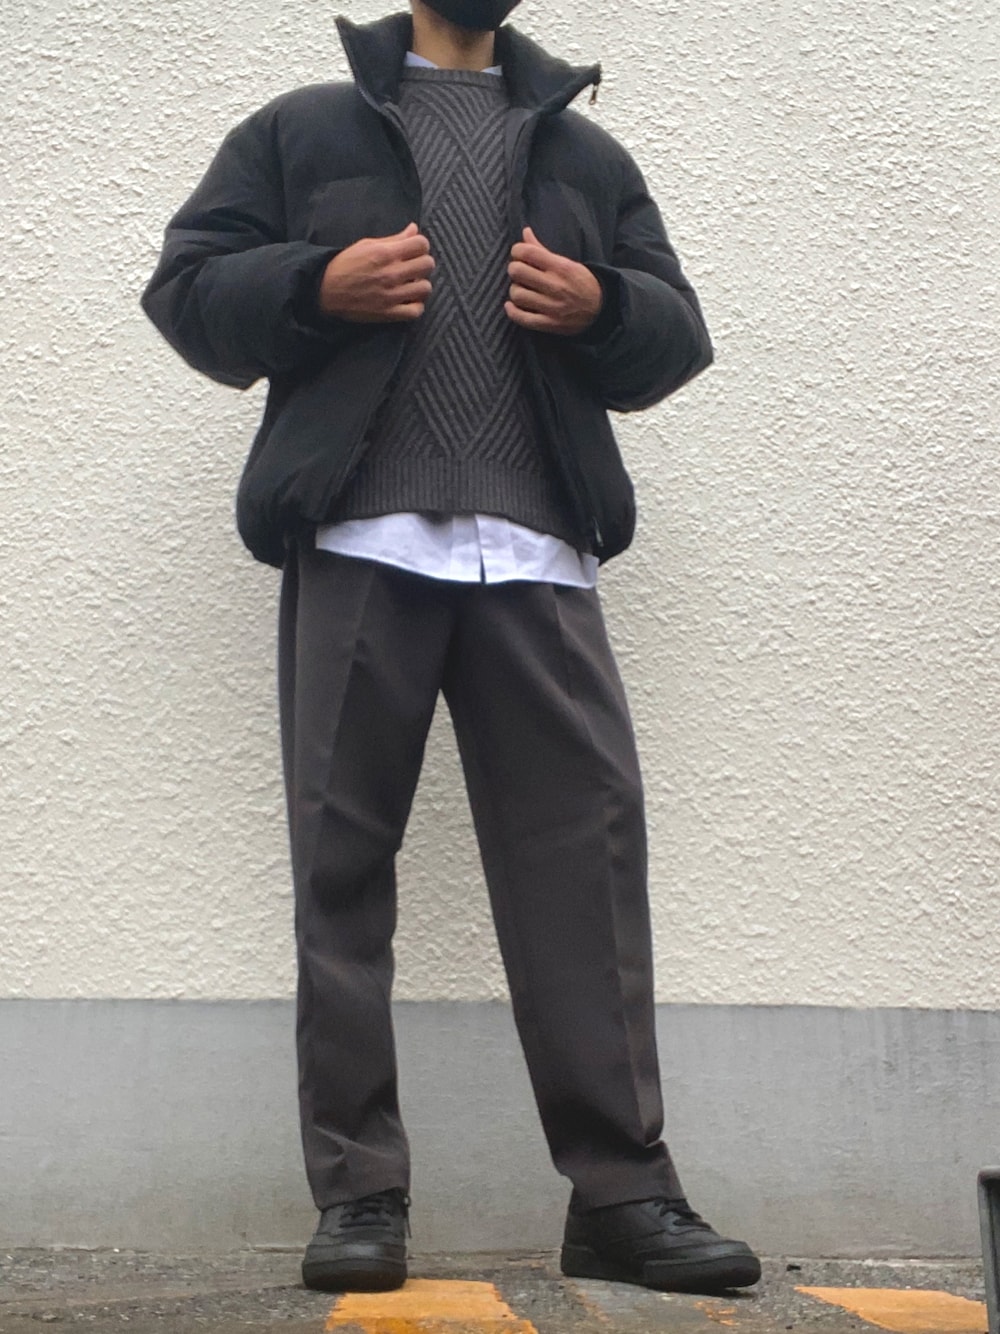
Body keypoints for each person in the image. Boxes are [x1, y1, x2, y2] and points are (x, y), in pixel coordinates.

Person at [141, 0, 761, 1298]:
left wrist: (601, 303)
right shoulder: (303, 131)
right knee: (340, 869)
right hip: (359, 536)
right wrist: (314, 284)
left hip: (538, 551)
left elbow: (677, 333)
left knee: (588, 866)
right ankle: (359, 1193)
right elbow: (187, 290)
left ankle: (623, 1195)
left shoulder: (587, 156)